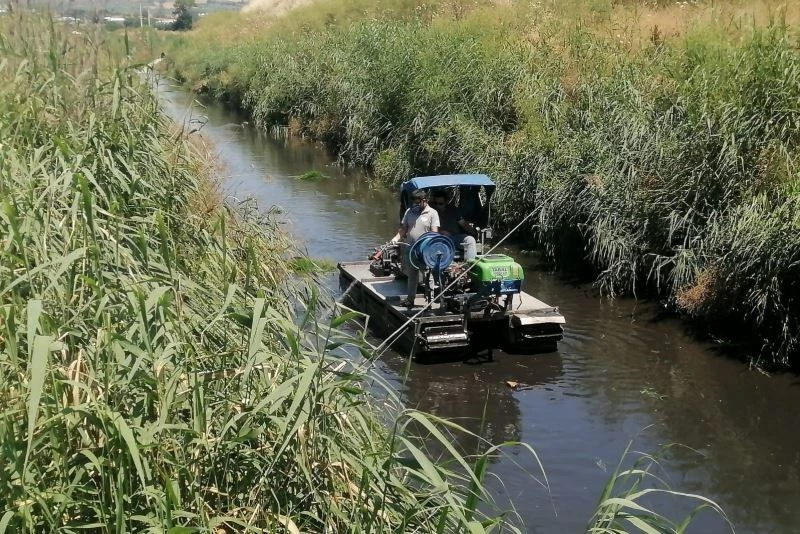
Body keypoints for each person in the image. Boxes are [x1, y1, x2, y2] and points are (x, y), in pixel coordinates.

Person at [391, 189, 440, 308]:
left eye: (417, 203)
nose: (415, 205)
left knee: (428, 276)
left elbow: (434, 233)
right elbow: (404, 228)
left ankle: (430, 302)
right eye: (413, 203)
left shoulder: (432, 213)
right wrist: (396, 238)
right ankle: (410, 300)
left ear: (425, 200)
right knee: (412, 276)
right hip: (410, 249)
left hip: (424, 252)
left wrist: (429, 248)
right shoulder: (409, 211)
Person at [430, 190, 478, 261]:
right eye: (435, 203)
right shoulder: (430, 212)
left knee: (470, 240)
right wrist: (441, 232)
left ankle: (470, 265)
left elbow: (463, 224)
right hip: (439, 239)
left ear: (446, 202)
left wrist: (474, 233)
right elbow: (426, 228)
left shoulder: (453, 210)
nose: (438, 205)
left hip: (454, 237)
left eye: (441, 203)